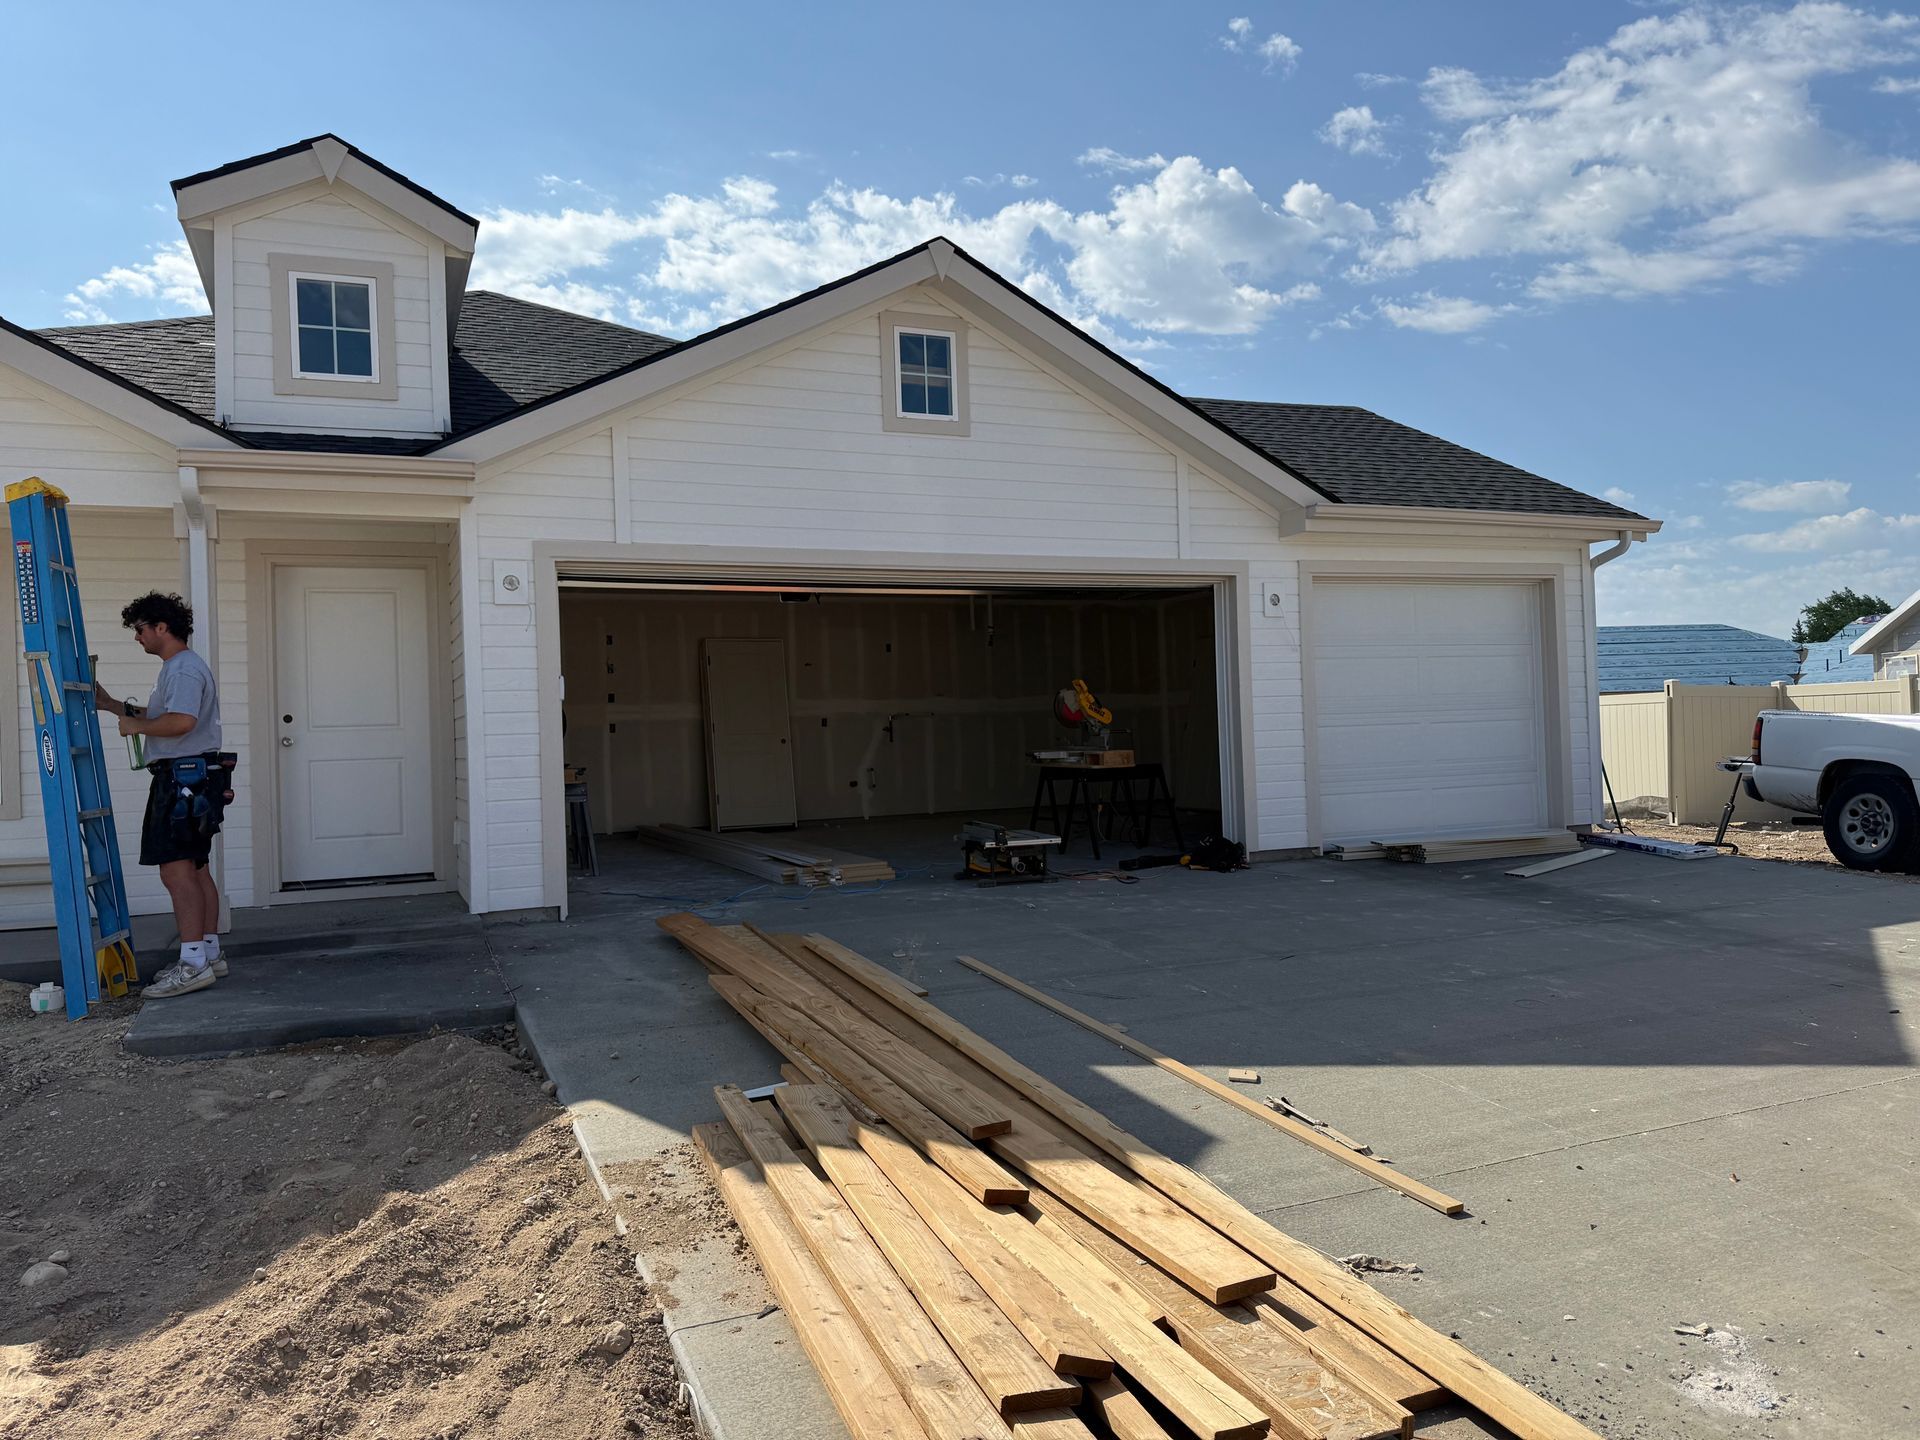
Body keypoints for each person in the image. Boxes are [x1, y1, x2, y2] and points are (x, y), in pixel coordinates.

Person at [93, 592, 233, 999]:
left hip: (182, 781)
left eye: (139, 630)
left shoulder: (183, 670)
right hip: (194, 778)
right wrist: (111, 705)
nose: (136, 638)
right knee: (197, 868)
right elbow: (161, 717)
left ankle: (192, 965)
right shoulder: (179, 668)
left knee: (176, 871)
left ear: (161, 627)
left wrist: (135, 728)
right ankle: (208, 954)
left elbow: (181, 722)